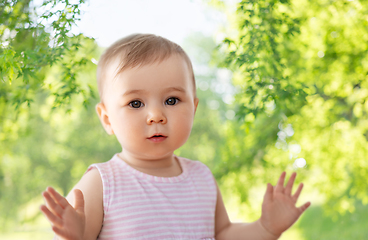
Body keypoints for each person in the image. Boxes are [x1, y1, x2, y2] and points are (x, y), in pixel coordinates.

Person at [40, 33, 310, 240]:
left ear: (193, 107)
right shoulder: (103, 183)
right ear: (107, 118)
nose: (156, 115)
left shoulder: (201, 177)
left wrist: (265, 228)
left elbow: (223, 233)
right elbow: (77, 230)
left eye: (172, 99)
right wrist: (74, 234)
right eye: (136, 103)